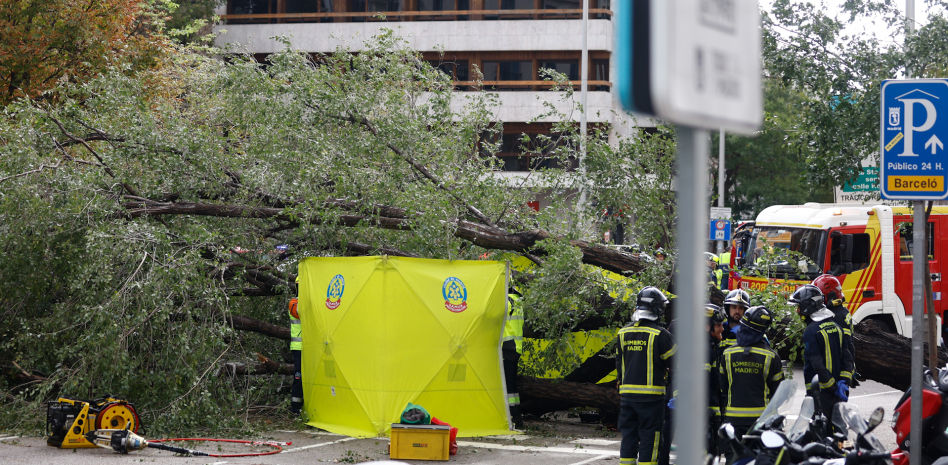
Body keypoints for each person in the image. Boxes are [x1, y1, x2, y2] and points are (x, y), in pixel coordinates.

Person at [617, 286, 676, 465]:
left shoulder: (622, 333)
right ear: (656, 309)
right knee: (650, 439)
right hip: (651, 400)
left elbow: (619, 365)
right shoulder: (661, 335)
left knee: (628, 436)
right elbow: (675, 364)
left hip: (627, 397)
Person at [720, 306, 783, 463]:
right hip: (760, 423)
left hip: (733, 421)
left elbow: (723, 388)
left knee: (733, 460)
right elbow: (778, 393)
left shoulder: (727, 354)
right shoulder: (771, 356)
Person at [790, 284, 846, 417]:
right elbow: (847, 356)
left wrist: (831, 386)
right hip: (838, 392)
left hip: (819, 394)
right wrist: (843, 382)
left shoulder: (811, 331)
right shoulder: (836, 326)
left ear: (807, 306)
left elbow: (817, 364)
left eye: (799, 307)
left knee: (818, 432)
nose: (797, 311)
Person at [812, 274, 856, 390]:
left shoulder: (838, 316)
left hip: (838, 373)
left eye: (820, 297)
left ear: (829, 296)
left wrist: (846, 377)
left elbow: (847, 348)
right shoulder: (837, 311)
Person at [502, 288, 525, 430]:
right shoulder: (518, 301)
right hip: (515, 347)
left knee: (507, 385)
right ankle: (516, 417)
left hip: (507, 346)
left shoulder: (507, 300)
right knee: (512, 386)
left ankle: (511, 418)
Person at [288, 297, 303, 414]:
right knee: (298, 377)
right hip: (298, 347)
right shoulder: (294, 303)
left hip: (310, 347)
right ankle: (295, 407)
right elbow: (299, 312)